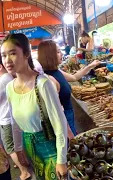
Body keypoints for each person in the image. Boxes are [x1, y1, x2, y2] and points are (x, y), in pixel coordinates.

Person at [1, 33, 68, 180]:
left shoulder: (43, 83)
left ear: (26, 54)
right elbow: (15, 123)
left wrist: (61, 160)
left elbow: (60, 123)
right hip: (29, 146)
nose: (7, 60)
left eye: (12, 53)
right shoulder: (10, 87)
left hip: (50, 146)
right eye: (3, 55)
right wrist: (18, 149)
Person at [38, 40, 100, 136]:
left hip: (69, 114)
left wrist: (90, 66)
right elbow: (56, 111)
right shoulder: (49, 79)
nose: (62, 53)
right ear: (49, 56)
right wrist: (68, 131)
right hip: (64, 118)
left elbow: (74, 77)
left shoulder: (56, 71)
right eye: (58, 52)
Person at [0, 58, 31, 180]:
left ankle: (24, 171)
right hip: (12, 117)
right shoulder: (8, 77)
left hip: (6, 119)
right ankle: (25, 163)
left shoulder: (3, 80)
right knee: (17, 144)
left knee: (10, 147)